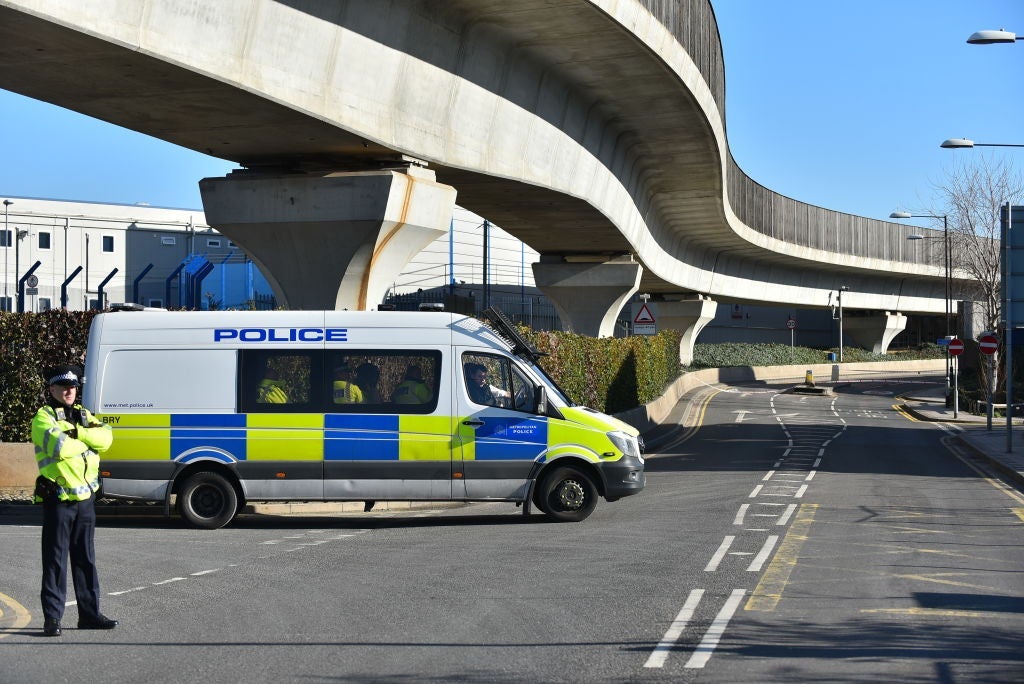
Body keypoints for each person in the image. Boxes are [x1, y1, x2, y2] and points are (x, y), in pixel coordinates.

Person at [31, 364, 118, 637]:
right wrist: (86, 441)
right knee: (55, 561)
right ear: (52, 389)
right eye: (63, 387)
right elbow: (61, 448)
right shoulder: (43, 418)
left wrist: (78, 434)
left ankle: (89, 615)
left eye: (73, 387)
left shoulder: (83, 415)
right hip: (58, 499)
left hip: (85, 500)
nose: (69, 391)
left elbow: (106, 438)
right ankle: (52, 619)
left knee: (86, 560)